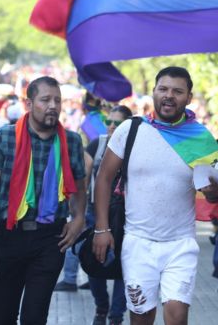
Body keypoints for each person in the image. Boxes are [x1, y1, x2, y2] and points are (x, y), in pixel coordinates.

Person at [93, 67, 218, 325]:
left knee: (177, 316)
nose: (169, 96)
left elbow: (215, 197)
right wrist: (101, 229)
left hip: (181, 244)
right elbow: (104, 178)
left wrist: (212, 192)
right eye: (163, 89)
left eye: (177, 91)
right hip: (138, 243)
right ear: (153, 92)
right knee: (141, 317)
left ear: (188, 97)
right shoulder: (130, 129)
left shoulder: (201, 139)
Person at [0, 76, 87, 325]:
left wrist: (79, 219)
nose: (53, 106)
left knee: (35, 317)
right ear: (29, 104)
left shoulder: (71, 141)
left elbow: (80, 189)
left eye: (57, 100)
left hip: (51, 239)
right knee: (3, 317)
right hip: (9, 235)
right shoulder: (4, 137)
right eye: (45, 100)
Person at [84, 105, 133, 325]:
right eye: (109, 122)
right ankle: (101, 307)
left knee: (124, 267)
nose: (112, 126)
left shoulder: (135, 147)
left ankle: (116, 315)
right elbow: (84, 177)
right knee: (93, 262)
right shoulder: (97, 144)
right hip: (95, 213)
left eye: (117, 123)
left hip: (126, 216)